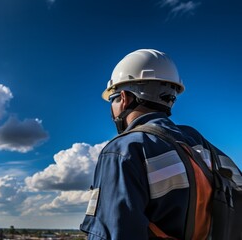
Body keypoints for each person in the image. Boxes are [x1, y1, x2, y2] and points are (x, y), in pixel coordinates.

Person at [79, 49, 242, 239]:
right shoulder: (200, 144)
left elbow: (112, 233)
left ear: (123, 98)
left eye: (112, 100)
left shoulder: (123, 150)